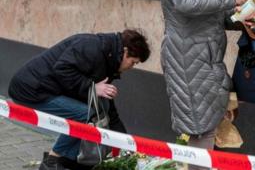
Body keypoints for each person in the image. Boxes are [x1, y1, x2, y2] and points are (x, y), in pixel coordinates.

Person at [158, 0, 251, 167]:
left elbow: (206, 12)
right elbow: (184, 0)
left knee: (206, 124)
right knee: (201, 128)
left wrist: (239, 18)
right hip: (190, 59)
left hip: (200, 56)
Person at [8, 29, 151, 170]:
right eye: (133, 62)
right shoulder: (91, 47)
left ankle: (69, 161)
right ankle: (52, 161)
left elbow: (109, 111)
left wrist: (128, 145)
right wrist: (92, 88)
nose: (131, 67)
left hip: (49, 89)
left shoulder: (110, 60)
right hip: (30, 89)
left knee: (100, 108)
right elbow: (62, 69)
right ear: (125, 52)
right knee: (85, 115)